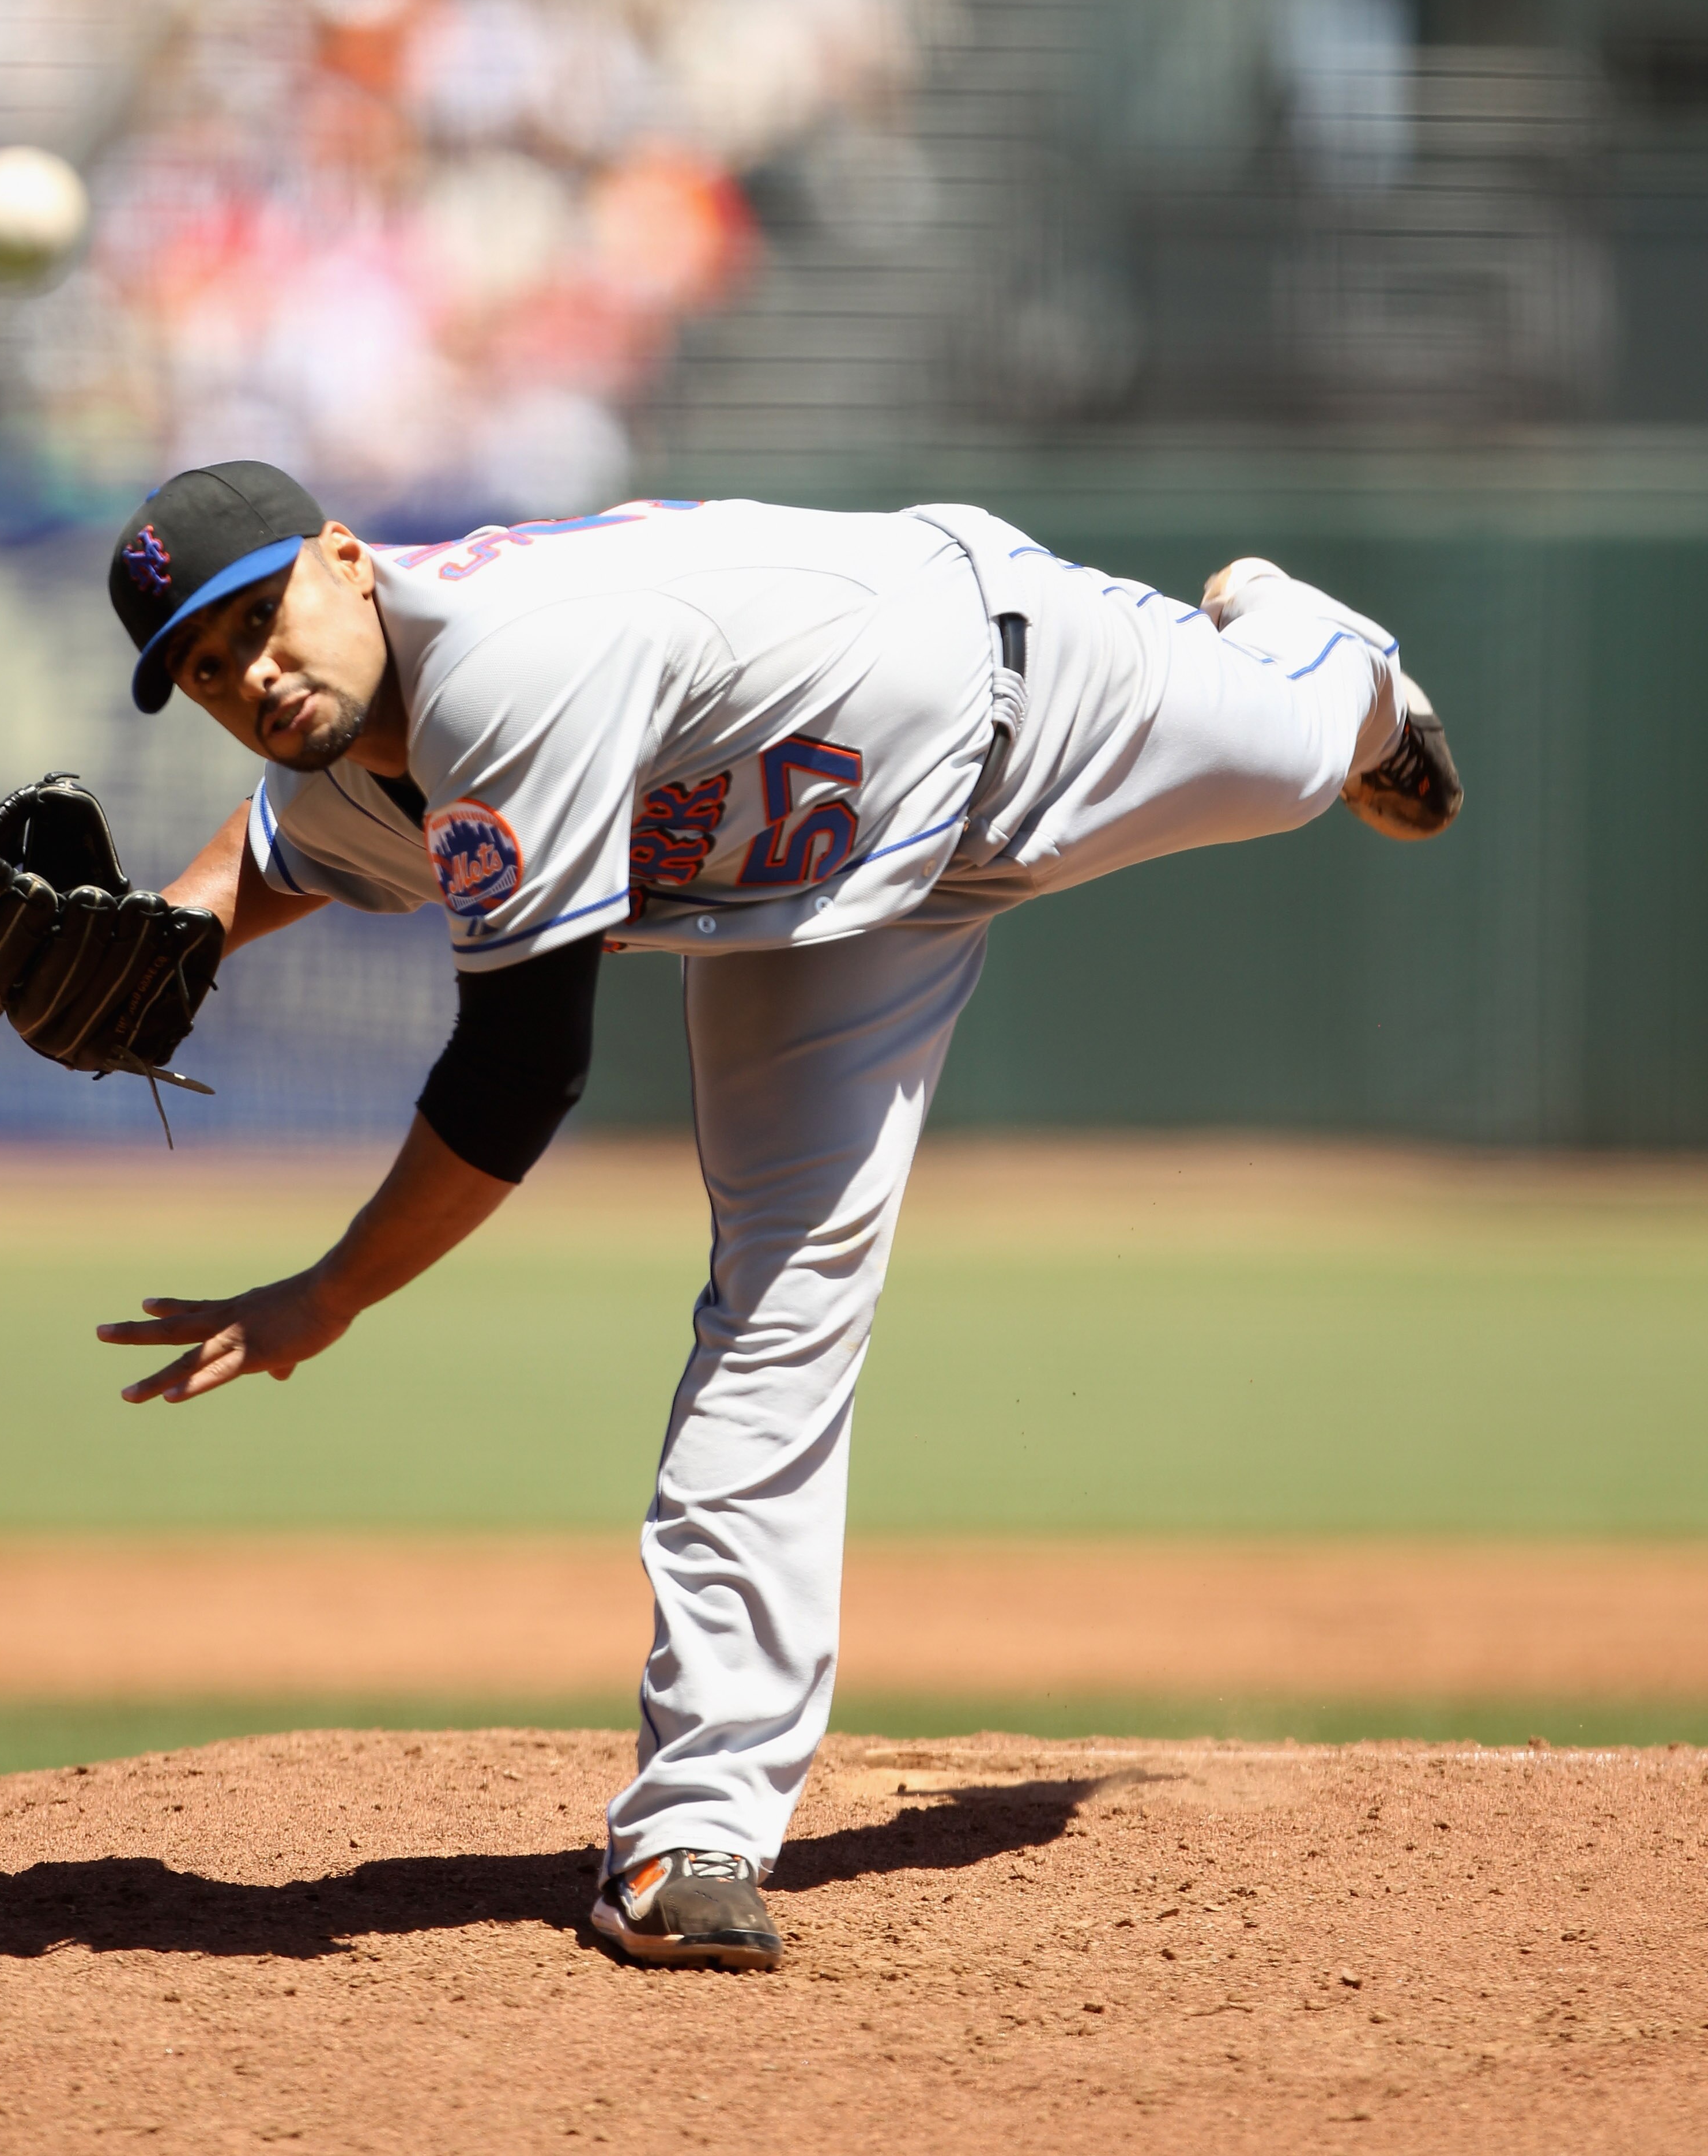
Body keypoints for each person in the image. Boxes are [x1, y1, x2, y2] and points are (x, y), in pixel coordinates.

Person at [96, 458, 1462, 1971]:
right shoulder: (359, 746)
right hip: (815, 915)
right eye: (207, 671)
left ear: (347, 559)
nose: (253, 676)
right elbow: (282, 853)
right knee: (777, 1306)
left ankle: (1321, 645)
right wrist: (164, 938)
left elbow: (519, 1072)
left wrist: (332, 1292)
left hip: (1016, 705)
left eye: (259, 619)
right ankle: (695, 1830)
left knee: (1297, 751)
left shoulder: (506, 661)